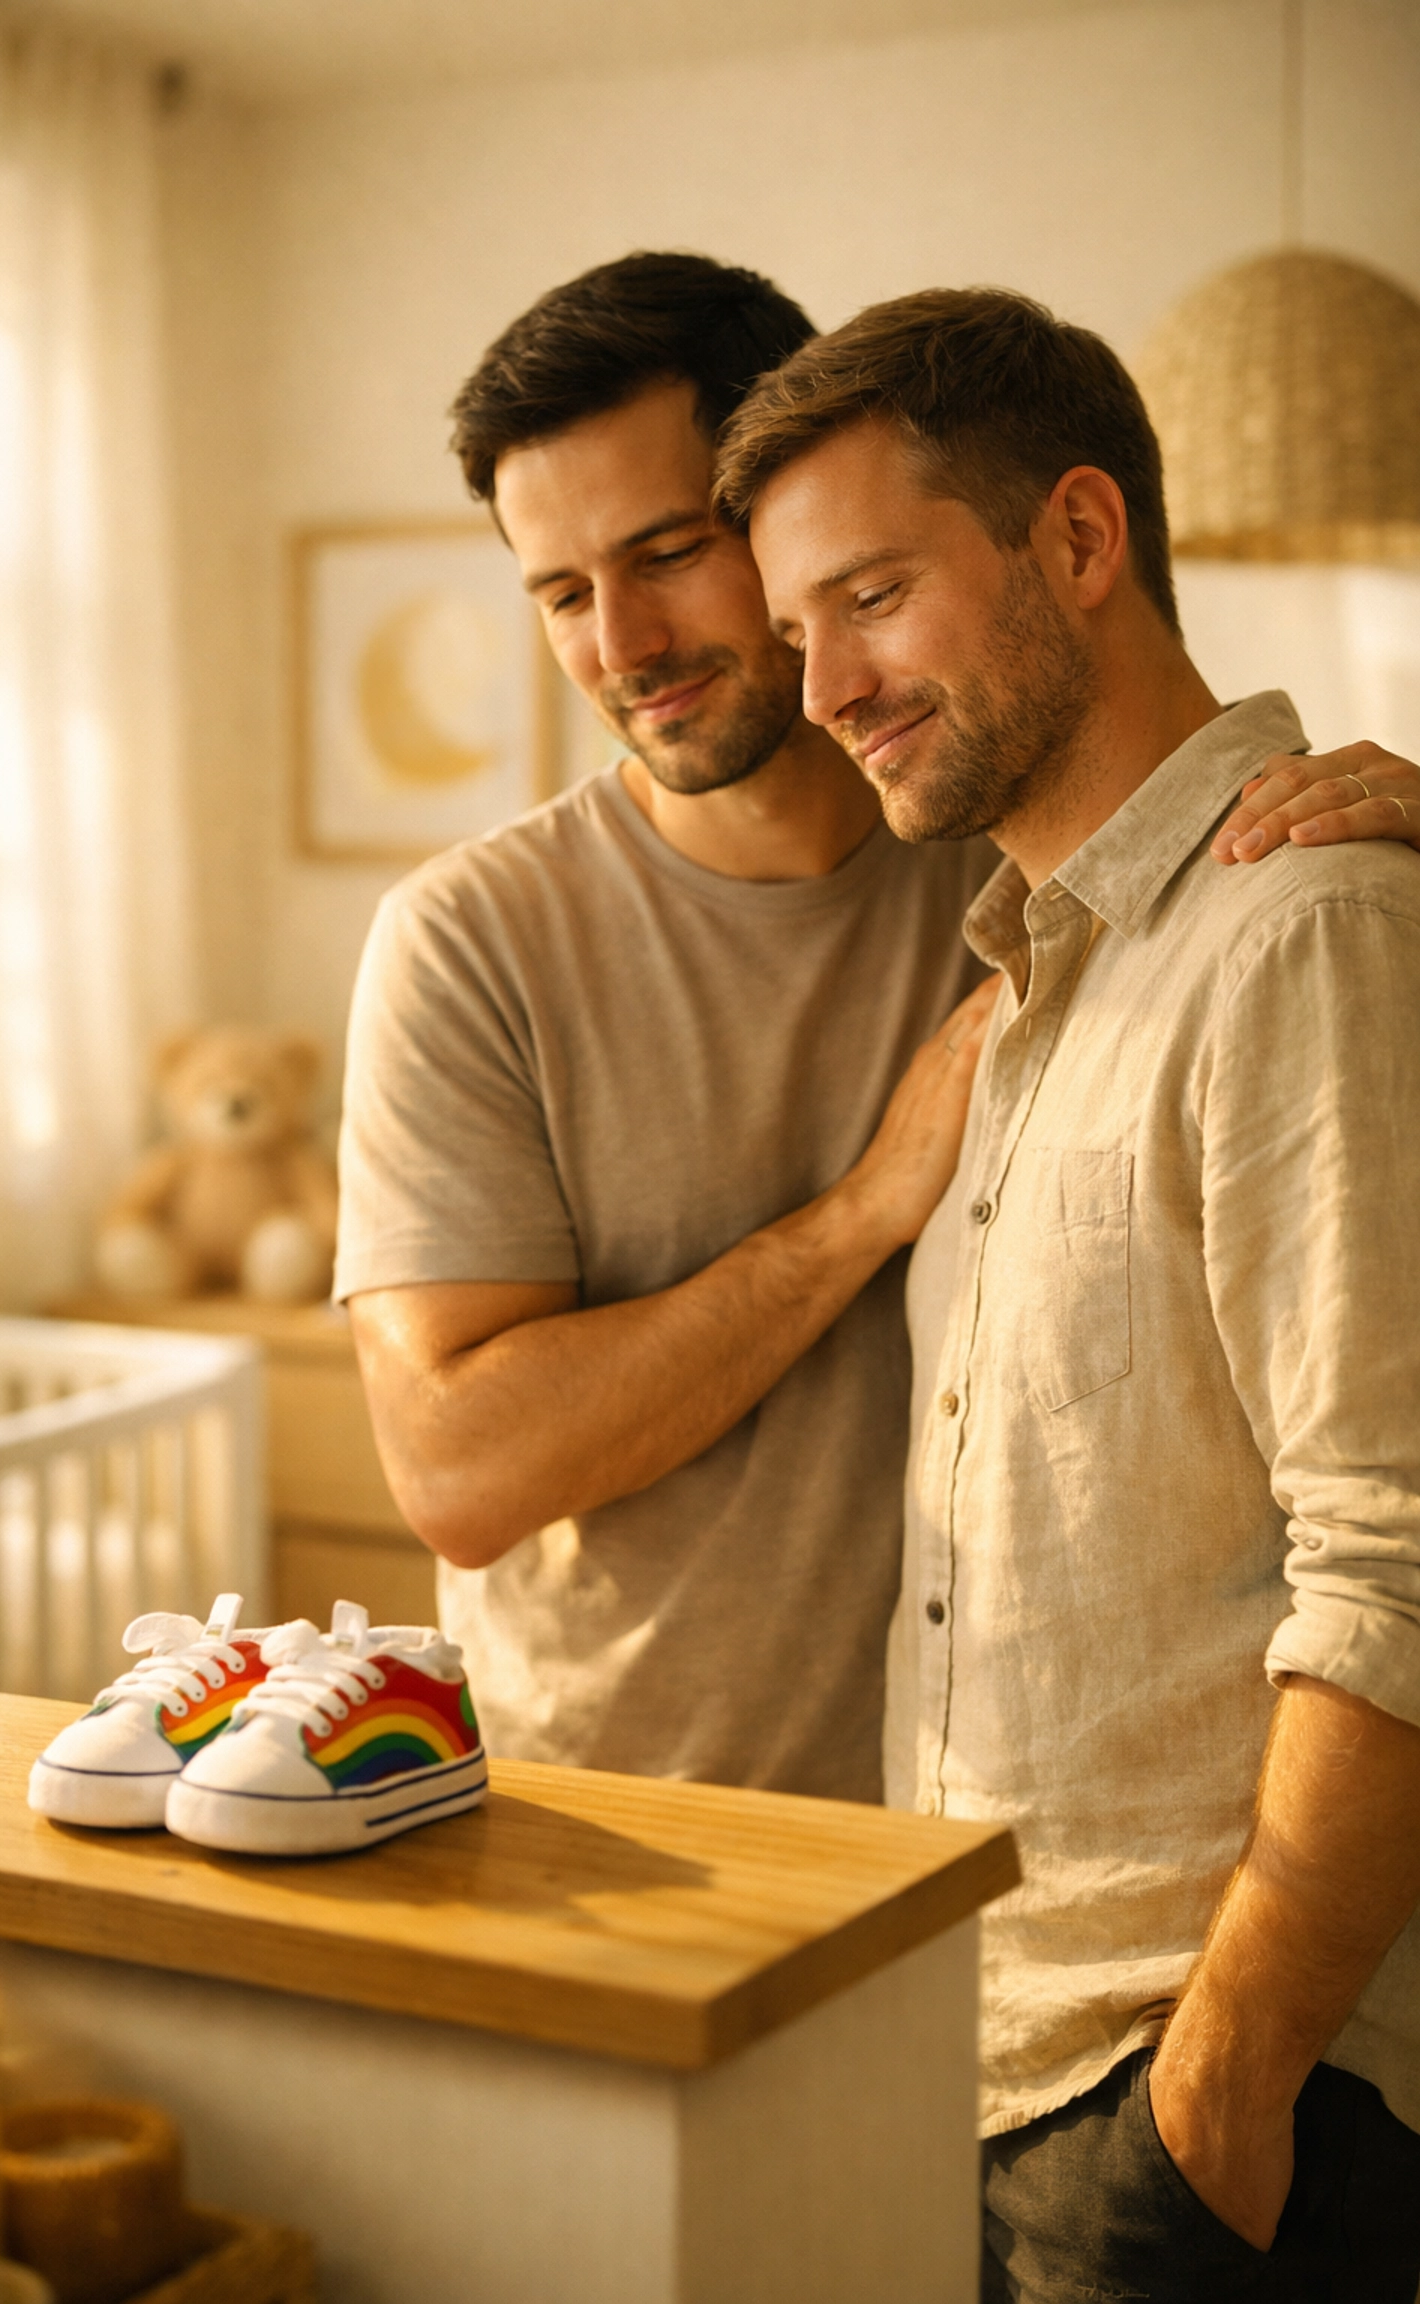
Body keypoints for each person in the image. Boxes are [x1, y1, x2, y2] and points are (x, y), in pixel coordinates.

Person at [335, 251, 1420, 1808]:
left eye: (668, 553)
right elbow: (458, 1472)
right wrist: (860, 1215)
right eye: (564, 594)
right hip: (618, 1826)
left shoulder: (1020, 833)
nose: (623, 643)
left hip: (981, 1872)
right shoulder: (470, 940)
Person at [717, 285, 1420, 2299]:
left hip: (1215, 2116)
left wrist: (1218, 2093)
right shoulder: (1034, 987)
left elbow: (1396, 1564)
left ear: (1082, 542)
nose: (827, 688)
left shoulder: (1306, 933)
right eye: (799, 635)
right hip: (1012, 2075)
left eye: (870, 599)